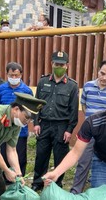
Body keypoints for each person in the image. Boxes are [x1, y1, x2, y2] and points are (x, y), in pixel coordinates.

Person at [31, 51, 79, 191]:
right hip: (44, 124)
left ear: (67, 66)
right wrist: (36, 123)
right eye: (56, 64)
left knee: (60, 157)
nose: (59, 66)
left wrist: (69, 130)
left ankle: (57, 184)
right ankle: (37, 183)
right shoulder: (43, 82)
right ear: (52, 64)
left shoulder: (72, 86)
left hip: (61, 126)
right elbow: (36, 105)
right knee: (41, 156)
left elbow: (73, 111)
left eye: (62, 64)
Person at [71, 60, 106, 194]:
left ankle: (99, 192)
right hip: (89, 132)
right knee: (83, 161)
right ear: (98, 71)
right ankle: (76, 190)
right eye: (102, 73)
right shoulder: (88, 86)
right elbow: (85, 106)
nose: (104, 78)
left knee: (104, 164)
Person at [0, 62, 33, 177]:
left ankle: (19, 179)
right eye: (11, 75)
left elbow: (29, 111)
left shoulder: (27, 91)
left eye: (16, 75)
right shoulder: (1, 89)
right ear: (7, 74)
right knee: (4, 155)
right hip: (4, 129)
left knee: (20, 157)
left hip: (20, 131)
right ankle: (6, 178)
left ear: (21, 75)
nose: (14, 78)